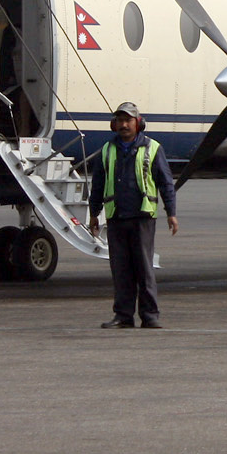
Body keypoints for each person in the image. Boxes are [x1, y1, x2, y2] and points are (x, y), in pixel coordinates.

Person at [87, 101, 178, 329]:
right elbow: (97, 185)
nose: (124, 125)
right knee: (121, 270)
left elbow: (166, 183)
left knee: (144, 268)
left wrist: (171, 213)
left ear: (138, 123)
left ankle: (150, 315)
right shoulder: (107, 150)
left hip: (142, 216)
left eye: (128, 120)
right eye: (120, 120)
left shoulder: (153, 148)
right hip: (116, 216)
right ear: (114, 124)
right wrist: (94, 214)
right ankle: (123, 316)